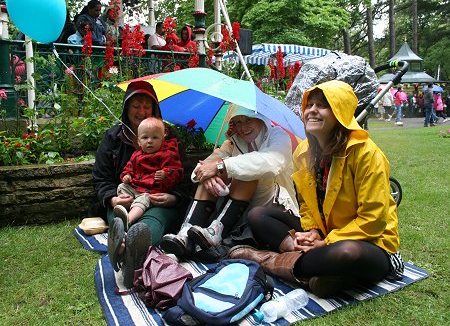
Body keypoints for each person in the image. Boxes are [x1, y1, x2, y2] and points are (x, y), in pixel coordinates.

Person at [228, 80, 404, 298]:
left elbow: (373, 220)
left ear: (340, 110)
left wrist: (326, 242)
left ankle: (268, 261)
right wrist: (313, 231)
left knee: (346, 252)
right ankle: (326, 273)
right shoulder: (304, 152)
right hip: (325, 232)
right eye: (309, 105)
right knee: (258, 214)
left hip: (370, 243)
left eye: (322, 105)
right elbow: (306, 204)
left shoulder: (366, 154)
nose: (311, 111)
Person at [160, 105, 299, 260]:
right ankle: (185, 235)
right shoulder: (233, 141)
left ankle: (216, 231)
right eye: (238, 122)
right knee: (211, 174)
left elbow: (272, 163)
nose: (243, 127)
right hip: (241, 207)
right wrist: (209, 174)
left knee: (243, 170)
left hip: (272, 209)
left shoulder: (278, 136)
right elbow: (200, 169)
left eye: (249, 120)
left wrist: (222, 166)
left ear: (261, 119)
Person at [91, 81, 194, 288]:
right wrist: (113, 198)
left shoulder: (169, 137)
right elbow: (101, 178)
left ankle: (127, 249)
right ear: (126, 108)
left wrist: (173, 197)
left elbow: (184, 175)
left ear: (154, 108)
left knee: (150, 222)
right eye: (136, 105)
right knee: (120, 215)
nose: (141, 111)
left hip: (159, 201)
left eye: (147, 106)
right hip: (125, 200)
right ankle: (125, 244)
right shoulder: (113, 138)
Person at [114, 117, 184, 230]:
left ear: (163, 138)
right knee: (122, 186)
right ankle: (127, 203)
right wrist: (127, 176)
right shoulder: (136, 155)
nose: (149, 141)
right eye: (145, 137)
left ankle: (128, 220)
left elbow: (177, 171)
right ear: (139, 141)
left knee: (143, 199)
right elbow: (129, 168)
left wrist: (165, 174)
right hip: (136, 187)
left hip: (152, 191)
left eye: (155, 137)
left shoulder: (167, 154)